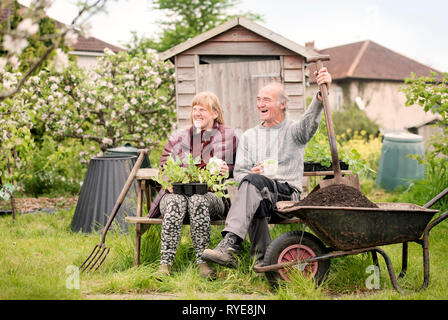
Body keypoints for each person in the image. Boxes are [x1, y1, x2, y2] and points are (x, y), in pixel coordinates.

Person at [201, 67, 332, 268]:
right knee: (253, 191)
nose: (260, 104)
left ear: (282, 104)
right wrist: (251, 174)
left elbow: (309, 122)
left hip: (287, 196)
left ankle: (231, 243)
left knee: (253, 186)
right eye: (259, 99)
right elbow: (240, 174)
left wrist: (320, 96)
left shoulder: (294, 132)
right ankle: (263, 263)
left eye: (266, 100)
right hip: (260, 195)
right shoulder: (249, 136)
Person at [148, 91, 238, 278]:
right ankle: (165, 265)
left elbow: (241, 165)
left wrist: (227, 169)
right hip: (177, 195)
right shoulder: (181, 136)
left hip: (211, 196)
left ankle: (203, 262)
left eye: (202, 109)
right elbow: (164, 164)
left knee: (198, 200)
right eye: (194, 109)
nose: (196, 113)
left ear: (215, 113)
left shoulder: (228, 135)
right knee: (175, 201)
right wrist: (168, 182)